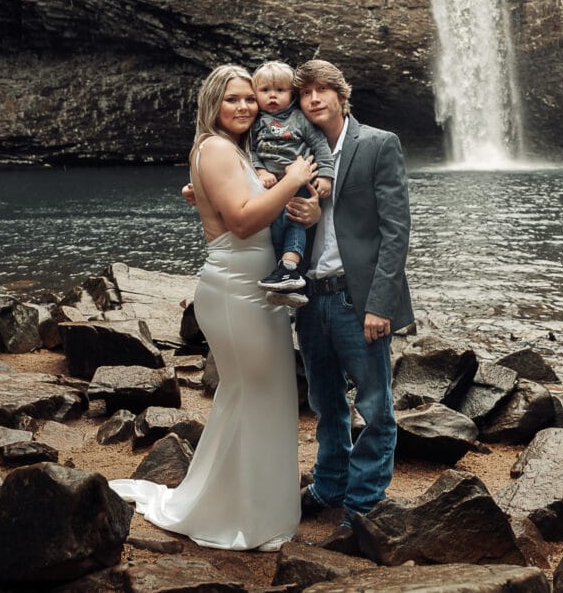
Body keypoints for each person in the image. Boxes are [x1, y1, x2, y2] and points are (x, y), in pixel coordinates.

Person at [109, 64, 319, 551]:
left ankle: (247, 508)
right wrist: (292, 180)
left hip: (251, 287)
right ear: (212, 104)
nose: (245, 106)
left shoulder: (232, 151)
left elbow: (231, 205)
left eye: (250, 98)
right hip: (235, 290)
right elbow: (243, 224)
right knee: (257, 395)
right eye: (233, 99)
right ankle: (244, 517)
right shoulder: (218, 148)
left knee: (252, 399)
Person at [290, 60, 414, 534]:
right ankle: (329, 486)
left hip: (355, 299)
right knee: (325, 403)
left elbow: (395, 230)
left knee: (376, 406)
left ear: (343, 96)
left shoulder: (378, 144)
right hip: (312, 297)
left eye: (325, 90)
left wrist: (379, 304)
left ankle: (362, 504)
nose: (315, 98)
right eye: (307, 93)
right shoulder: (299, 154)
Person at [249, 61, 335, 304]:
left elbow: (321, 147)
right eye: (265, 91)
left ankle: (289, 266)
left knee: (294, 222)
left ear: (292, 95)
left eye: (280, 90)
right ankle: (289, 282)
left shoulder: (300, 119)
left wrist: (326, 176)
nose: (272, 96)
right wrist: (260, 170)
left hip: (299, 184)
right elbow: (251, 151)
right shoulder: (256, 122)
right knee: (275, 230)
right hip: (271, 186)